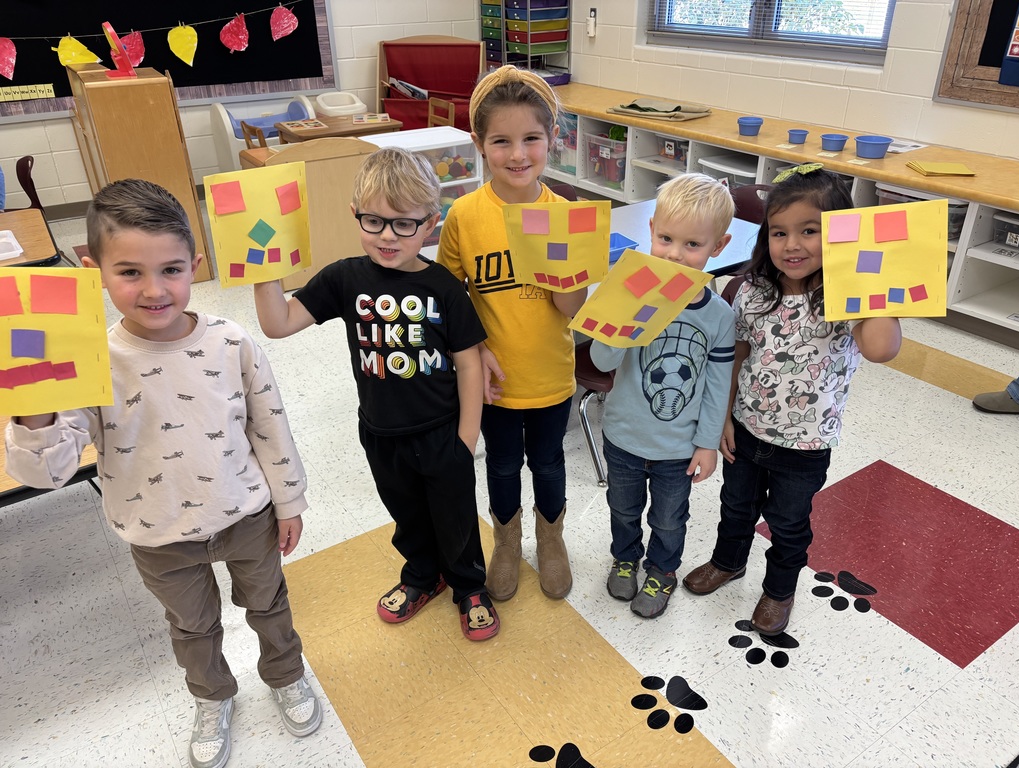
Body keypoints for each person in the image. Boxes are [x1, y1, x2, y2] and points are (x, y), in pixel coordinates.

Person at [4, 178, 321, 768]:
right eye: (129, 273)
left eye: (171, 269)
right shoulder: (88, 360)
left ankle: (286, 674)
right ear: (91, 266)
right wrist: (33, 399)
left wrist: (289, 501)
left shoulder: (232, 341)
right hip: (157, 533)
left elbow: (269, 425)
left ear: (196, 265)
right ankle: (212, 696)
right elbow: (46, 473)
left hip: (244, 513)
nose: (155, 290)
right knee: (192, 627)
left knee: (269, 605)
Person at [252, 147, 499, 642]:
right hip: (381, 433)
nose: (387, 236)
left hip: (441, 432)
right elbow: (277, 324)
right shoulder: (345, 278)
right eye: (374, 221)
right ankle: (422, 577)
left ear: (430, 224)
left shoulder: (444, 287)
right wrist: (261, 263)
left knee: (455, 517)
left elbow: (470, 363)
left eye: (404, 224)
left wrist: (466, 440)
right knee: (406, 515)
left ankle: (470, 586)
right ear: (355, 216)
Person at [683, 164, 903, 636]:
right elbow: (736, 357)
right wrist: (722, 418)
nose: (793, 245)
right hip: (745, 427)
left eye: (810, 231)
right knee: (735, 507)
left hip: (804, 446)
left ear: (840, 236)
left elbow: (882, 348)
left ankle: (780, 589)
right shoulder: (754, 292)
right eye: (780, 233)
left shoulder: (846, 299)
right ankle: (728, 562)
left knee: (787, 522)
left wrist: (874, 281)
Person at [436, 65, 588, 602]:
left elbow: (573, 307)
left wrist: (562, 276)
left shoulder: (568, 216)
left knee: (548, 462)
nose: (517, 154)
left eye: (531, 139)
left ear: (552, 141)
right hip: (493, 380)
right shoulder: (464, 216)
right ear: (479, 144)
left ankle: (552, 541)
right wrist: (475, 349)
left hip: (549, 373)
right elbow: (448, 298)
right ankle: (506, 542)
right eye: (501, 141)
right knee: (500, 465)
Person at [591, 173, 737, 619]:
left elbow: (716, 387)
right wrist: (625, 312)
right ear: (651, 230)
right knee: (622, 508)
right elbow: (600, 361)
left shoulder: (719, 317)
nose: (675, 254)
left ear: (718, 246)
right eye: (667, 239)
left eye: (692, 245)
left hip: (678, 448)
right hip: (623, 434)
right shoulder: (630, 291)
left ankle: (662, 571)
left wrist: (707, 443)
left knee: (670, 519)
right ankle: (625, 557)